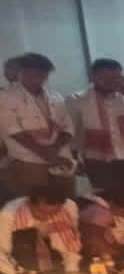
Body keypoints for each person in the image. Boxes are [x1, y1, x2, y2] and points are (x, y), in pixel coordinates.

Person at [69, 58, 124, 195]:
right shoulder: (77, 99)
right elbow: (72, 132)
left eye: (116, 77)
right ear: (92, 76)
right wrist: (74, 159)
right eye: (105, 77)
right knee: (104, 201)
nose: (111, 81)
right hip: (97, 160)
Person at [0, 53, 74, 198]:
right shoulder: (6, 97)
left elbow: (68, 127)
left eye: (42, 73)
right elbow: (14, 131)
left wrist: (54, 151)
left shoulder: (56, 97)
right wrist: (48, 155)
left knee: (67, 201)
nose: (36, 77)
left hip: (60, 157)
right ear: (21, 73)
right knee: (35, 205)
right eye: (30, 73)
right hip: (28, 160)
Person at [0, 185, 81, 274]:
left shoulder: (69, 207)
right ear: (30, 204)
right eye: (41, 212)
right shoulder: (8, 214)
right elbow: (2, 251)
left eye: (53, 213)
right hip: (19, 253)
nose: (46, 217)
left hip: (52, 250)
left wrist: (72, 271)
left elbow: (71, 243)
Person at [78, 188, 124, 263]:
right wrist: (119, 254)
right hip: (87, 257)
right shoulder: (100, 213)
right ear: (114, 205)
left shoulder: (116, 213)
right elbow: (95, 240)